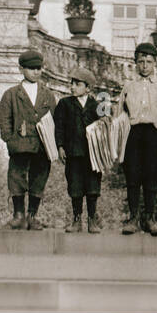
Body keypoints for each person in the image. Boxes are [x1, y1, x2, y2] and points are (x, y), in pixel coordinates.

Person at [118, 41, 157, 236]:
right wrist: (119, 142)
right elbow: (120, 115)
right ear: (136, 63)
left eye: (148, 62)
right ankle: (133, 218)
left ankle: (150, 218)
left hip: (153, 135)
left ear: (154, 64)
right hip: (133, 135)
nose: (144, 65)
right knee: (132, 177)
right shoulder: (128, 87)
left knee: (151, 177)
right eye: (141, 61)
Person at [0, 49, 57, 230]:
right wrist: (9, 138)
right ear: (21, 69)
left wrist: (52, 141)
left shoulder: (48, 94)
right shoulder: (11, 94)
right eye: (31, 68)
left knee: (39, 178)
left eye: (38, 68)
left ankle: (32, 216)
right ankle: (18, 216)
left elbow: (55, 118)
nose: (36, 72)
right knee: (16, 178)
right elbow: (4, 119)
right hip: (20, 145)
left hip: (42, 145)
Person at [54, 67, 104, 233]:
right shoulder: (64, 104)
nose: (72, 87)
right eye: (72, 83)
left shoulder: (97, 105)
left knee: (92, 186)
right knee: (74, 186)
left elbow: (104, 128)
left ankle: (92, 219)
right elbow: (59, 127)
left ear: (88, 88)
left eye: (78, 84)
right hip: (73, 153)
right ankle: (76, 219)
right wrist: (60, 146)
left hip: (92, 155)